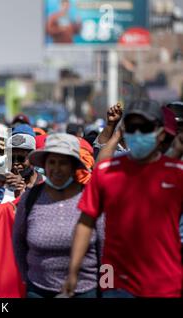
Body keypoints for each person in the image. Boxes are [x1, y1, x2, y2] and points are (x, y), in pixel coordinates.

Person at [63, 100, 183, 298]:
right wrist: (73, 270)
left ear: (161, 133)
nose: (137, 134)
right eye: (132, 127)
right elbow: (85, 223)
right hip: (114, 281)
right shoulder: (106, 172)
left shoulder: (177, 175)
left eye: (144, 128)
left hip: (164, 283)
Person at [13, 133, 104, 298]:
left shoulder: (91, 198)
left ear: (74, 166)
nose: (56, 168)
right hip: (38, 290)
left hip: (84, 290)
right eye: (51, 162)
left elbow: (103, 247)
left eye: (63, 163)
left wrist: (106, 287)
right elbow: (18, 243)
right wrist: (28, 279)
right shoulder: (30, 198)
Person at [5, 125, 43, 199]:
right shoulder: (1, 187)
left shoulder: (45, 186)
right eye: (12, 158)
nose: (15, 163)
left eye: (21, 158)